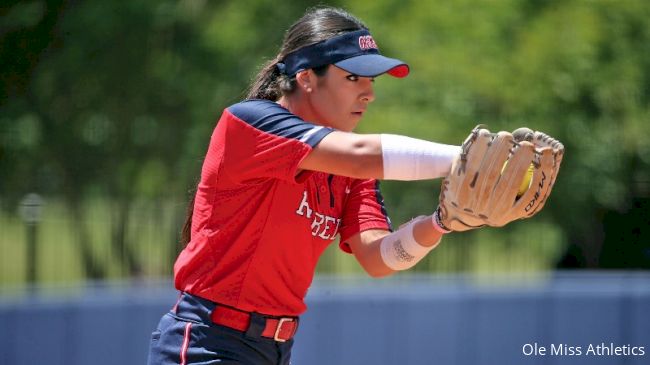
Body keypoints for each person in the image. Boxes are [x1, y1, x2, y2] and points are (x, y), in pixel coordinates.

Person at [147, 6, 464, 365]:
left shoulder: (349, 166)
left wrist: (441, 222)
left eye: (371, 81)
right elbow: (363, 155)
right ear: (307, 77)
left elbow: (379, 259)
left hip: (275, 351)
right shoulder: (251, 123)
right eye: (353, 78)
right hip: (210, 343)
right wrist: (469, 158)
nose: (368, 93)